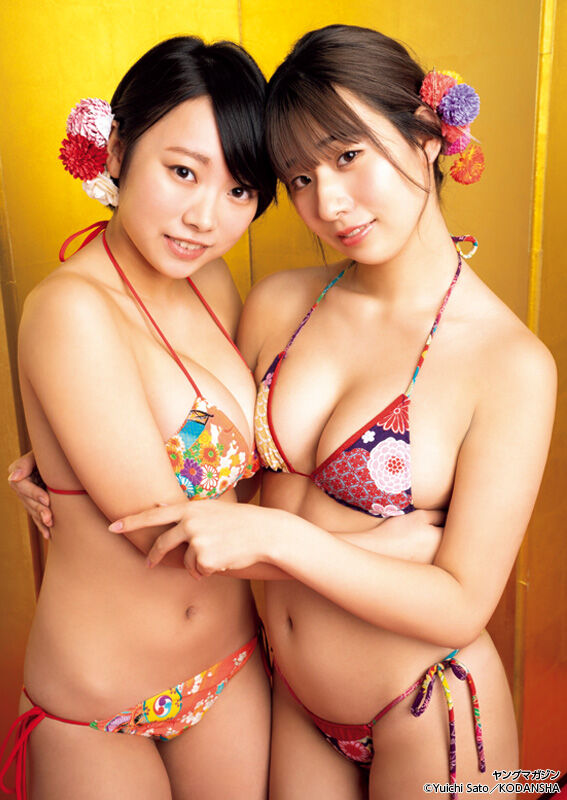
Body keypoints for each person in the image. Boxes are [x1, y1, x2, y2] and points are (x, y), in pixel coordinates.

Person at [9, 23, 557, 800]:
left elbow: (461, 603)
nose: (327, 202)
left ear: (427, 136)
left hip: (427, 704)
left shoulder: (510, 365)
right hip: (289, 704)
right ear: (119, 153)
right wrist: (61, 455)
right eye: (298, 177)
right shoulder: (278, 304)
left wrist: (288, 538)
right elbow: (193, 444)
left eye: (347, 156)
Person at [1, 35, 277, 800]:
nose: (204, 217)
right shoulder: (69, 310)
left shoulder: (210, 283)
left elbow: (245, 478)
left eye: (239, 190)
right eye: (182, 171)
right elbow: (168, 531)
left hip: (229, 668)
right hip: (99, 704)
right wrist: (381, 558)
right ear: (118, 150)